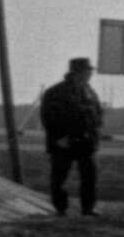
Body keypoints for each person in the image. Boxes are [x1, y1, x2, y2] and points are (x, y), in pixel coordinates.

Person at [37, 56, 103, 217]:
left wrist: (95, 133)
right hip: (63, 142)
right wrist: (57, 138)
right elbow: (47, 116)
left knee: (89, 176)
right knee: (59, 178)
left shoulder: (89, 91)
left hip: (86, 141)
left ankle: (88, 208)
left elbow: (98, 113)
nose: (90, 74)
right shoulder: (56, 92)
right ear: (77, 72)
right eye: (87, 71)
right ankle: (61, 208)